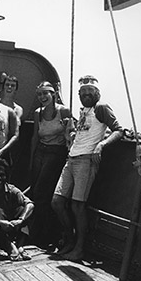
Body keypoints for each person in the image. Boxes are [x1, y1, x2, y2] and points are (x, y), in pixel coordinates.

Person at [51, 75, 123, 261]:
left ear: (97, 93)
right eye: (83, 92)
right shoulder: (84, 111)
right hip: (72, 159)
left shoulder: (101, 108)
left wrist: (101, 145)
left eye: (90, 91)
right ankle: (70, 239)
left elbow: (118, 130)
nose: (87, 94)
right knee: (57, 202)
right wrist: (73, 133)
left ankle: (79, 249)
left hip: (85, 161)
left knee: (77, 205)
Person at [28, 81, 72, 250]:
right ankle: (40, 233)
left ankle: (46, 235)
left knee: (42, 193)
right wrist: (32, 160)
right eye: (39, 94)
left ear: (53, 94)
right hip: (41, 151)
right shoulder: (38, 113)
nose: (42, 97)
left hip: (56, 153)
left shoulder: (64, 111)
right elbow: (35, 137)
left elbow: (71, 132)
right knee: (36, 192)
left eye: (46, 93)